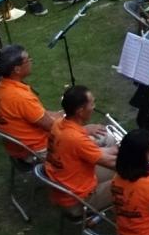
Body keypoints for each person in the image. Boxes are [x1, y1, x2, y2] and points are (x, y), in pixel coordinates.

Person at [45, 83, 118, 212]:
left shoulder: (58, 124)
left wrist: (118, 150)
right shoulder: (76, 139)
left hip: (65, 184)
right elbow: (115, 164)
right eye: (92, 104)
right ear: (80, 111)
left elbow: (90, 153)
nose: (94, 107)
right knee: (137, 180)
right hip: (79, 199)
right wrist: (143, 159)